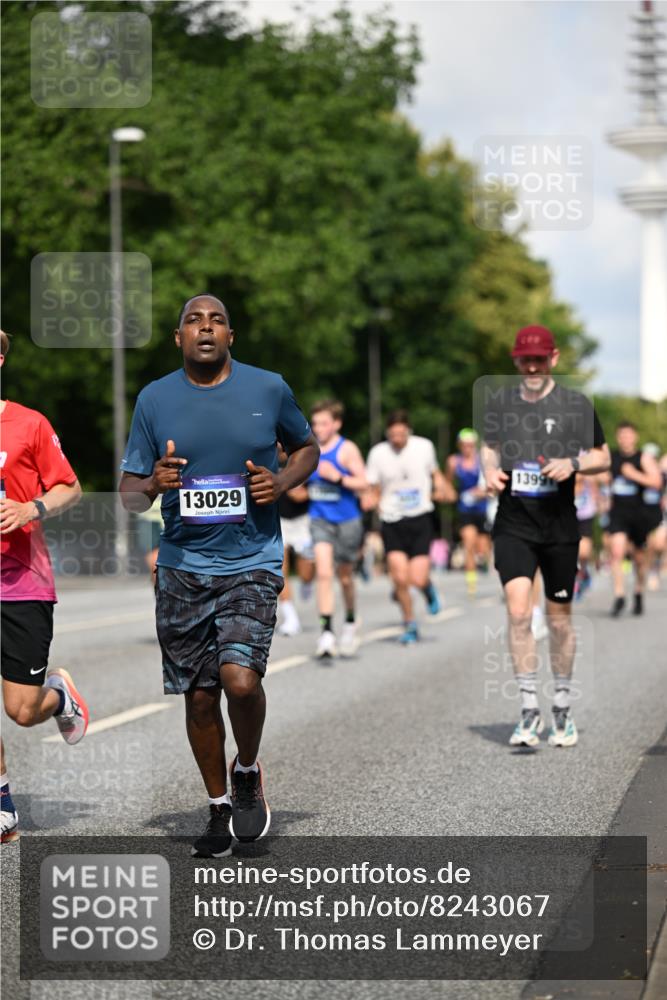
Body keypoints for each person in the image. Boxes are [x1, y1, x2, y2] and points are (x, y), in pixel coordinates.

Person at [119, 295, 318, 858]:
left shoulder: (268, 388)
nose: (205, 329)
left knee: (240, 680)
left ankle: (248, 769)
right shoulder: (154, 400)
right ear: (178, 338)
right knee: (201, 698)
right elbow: (130, 497)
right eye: (193, 321)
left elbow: (306, 448)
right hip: (182, 567)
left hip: (252, 559)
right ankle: (217, 808)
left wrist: (281, 484)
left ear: (231, 335)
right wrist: (153, 482)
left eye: (217, 321)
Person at [480, 325, 610, 749]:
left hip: (559, 526)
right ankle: (529, 710)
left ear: (553, 359)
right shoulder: (501, 403)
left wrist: (573, 463)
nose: (532, 366)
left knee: (559, 620)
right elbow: (489, 446)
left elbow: (602, 457)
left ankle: (562, 707)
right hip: (514, 523)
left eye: (539, 359)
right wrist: (489, 472)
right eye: (524, 360)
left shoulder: (575, 404)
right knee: (519, 613)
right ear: (516, 361)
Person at [0, 329, 88, 845]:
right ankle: (4, 804)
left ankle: (57, 696)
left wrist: (29, 508)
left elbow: (69, 487)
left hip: (22, 582)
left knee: (21, 710)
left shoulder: (29, 423)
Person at [366, 410, 449, 643]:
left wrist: (442, 487)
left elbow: (435, 473)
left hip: (420, 518)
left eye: (401, 434)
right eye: (393, 435)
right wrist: (371, 499)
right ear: (387, 433)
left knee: (418, 578)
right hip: (392, 520)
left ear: (408, 431)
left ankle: (428, 589)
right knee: (400, 579)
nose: (397, 439)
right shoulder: (378, 453)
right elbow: (372, 485)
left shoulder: (424, 447)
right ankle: (410, 623)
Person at [307, 400, 367, 659]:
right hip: (320, 519)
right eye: (315, 423)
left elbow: (364, 482)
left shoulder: (347, 449)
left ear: (337, 424)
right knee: (323, 573)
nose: (318, 428)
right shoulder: (309, 449)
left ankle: (351, 620)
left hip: (347, 521)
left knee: (344, 577)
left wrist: (339, 477)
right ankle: (327, 632)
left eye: (324, 423)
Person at [607, 423, 662, 617]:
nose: (625, 439)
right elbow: (600, 478)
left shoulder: (643, 458)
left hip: (639, 514)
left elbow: (656, 482)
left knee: (639, 559)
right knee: (616, 552)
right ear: (617, 437)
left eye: (629, 435)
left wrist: (634, 474)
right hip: (617, 513)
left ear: (635, 437)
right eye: (622, 435)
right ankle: (619, 595)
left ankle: (638, 591)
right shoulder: (611, 457)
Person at [446, 428, 490, 597]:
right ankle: (471, 585)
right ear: (459, 445)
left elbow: (492, 485)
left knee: (482, 549)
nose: (467, 448)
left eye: (470, 445)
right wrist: (450, 493)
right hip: (465, 509)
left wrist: (480, 493)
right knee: (468, 544)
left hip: (482, 508)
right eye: (464, 445)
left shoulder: (483, 461)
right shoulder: (453, 462)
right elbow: (448, 483)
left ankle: (485, 560)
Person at [277, 481, 315, 636]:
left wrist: (306, 492)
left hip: (304, 520)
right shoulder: (271, 459)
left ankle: (307, 583)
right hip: (279, 518)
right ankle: (291, 618)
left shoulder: (309, 457)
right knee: (279, 569)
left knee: (306, 573)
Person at [573, 472, 600, 600]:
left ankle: (583, 573)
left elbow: (596, 480)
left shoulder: (585, 457)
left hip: (585, 513)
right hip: (565, 512)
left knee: (584, 552)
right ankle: (574, 580)